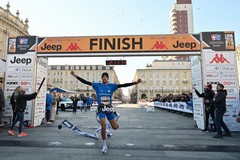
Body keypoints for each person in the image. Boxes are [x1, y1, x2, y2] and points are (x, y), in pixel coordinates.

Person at [71, 71, 141, 153]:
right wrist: (75, 76)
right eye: (103, 77)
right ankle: (104, 145)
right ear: (102, 78)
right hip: (101, 108)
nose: (104, 78)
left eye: (106, 77)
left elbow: (123, 85)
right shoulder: (97, 85)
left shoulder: (112, 86)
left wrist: (135, 83)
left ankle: (115, 119)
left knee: (115, 127)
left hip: (109, 109)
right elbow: (85, 82)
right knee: (103, 126)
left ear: (107, 79)